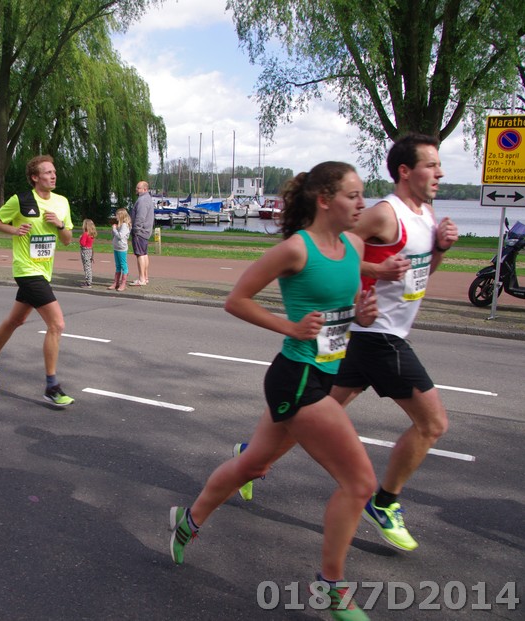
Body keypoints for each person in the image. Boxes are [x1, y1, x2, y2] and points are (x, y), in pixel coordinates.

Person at [168, 162, 378, 621]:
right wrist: (291, 327)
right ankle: (331, 586)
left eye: (363, 194)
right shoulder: (295, 249)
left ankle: (189, 521)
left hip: (324, 372)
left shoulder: (354, 245)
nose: (363, 203)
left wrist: (360, 315)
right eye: (353, 195)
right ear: (325, 200)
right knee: (360, 483)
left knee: (253, 465)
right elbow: (236, 300)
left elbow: (337, 311)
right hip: (297, 379)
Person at [330, 133, 458, 552]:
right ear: (405, 171)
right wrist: (376, 272)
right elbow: (333, 250)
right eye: (431, 165)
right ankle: (384, 503)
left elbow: (420, 274)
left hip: (374, 335)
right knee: (433, 424)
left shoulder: (427, 215)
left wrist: (440, 249)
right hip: (377, 335)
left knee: (316, 415)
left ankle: (251, 456)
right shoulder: (385, 214)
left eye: (439, 165)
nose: (440, 173)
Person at [0, 154, 76, 407]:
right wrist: (14, 229)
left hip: (44, 271)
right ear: (35, 177)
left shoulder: (62, 202)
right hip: (26, 270)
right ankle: (52, 386)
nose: (53, 175)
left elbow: (67, 240)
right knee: (57, 324)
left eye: (54, 172)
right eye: (48, 172)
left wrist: (60, 224)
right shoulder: (20, 200)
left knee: (16, 320)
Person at [128, 180, 154, 286]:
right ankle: (145, 277)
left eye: (138, 188)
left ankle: (142, 279)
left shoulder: (142, 200)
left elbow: (140, 217)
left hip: (140, 232)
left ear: (145, 189)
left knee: (140, 255)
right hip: (145, 231)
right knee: (144, 253)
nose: (136, 190)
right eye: (136, 188)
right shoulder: (147, 199)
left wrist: (135, 229)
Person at [108, 208, 131, 291]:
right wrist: (114, 229)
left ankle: (123, 283)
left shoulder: (125, 225)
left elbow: (120, 236)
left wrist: (114, 229)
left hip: (122, 248)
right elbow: (115, 235)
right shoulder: (120, 225)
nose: (115, 217)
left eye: (117, 215)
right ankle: (116, 282)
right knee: (117, 265)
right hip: (116, 247)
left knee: (123, 265)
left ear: (121, 216)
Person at [78, 218, 97, 288]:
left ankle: (88, 282)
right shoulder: (91, 234)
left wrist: (80, 238)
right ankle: (88, 281)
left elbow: (82, 243)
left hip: (85, 251)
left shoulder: (85, 234)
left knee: (86, 267)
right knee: (88, 266)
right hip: (90, 250)